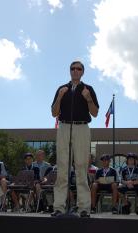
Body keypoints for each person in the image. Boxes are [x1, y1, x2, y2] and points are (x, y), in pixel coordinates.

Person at [51, 60, 99, 218]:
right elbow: (54, 112)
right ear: (70, 71)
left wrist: (88, 99)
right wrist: (59, 97)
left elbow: (95, 113)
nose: (75, 71)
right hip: (64, 127)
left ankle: (84, 208)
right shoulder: (62, 89)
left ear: (82, 72)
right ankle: (59, 207)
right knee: (62, 168)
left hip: (82, 127)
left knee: (81, 168)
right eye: (73, 68)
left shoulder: (88, 89)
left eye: (79, 69)